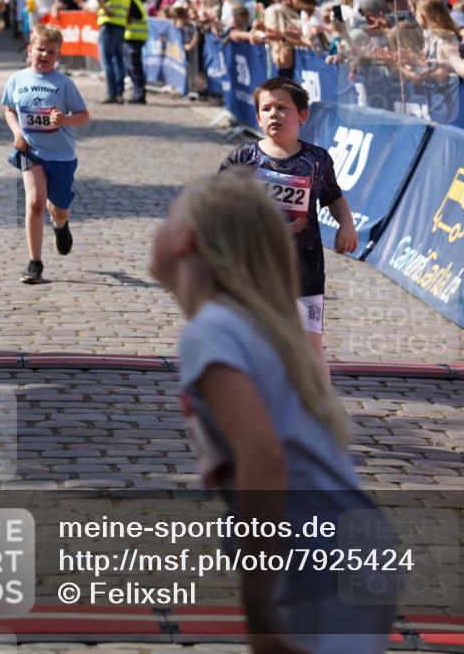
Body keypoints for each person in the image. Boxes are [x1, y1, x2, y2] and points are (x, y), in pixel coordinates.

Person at [150, 171, 395, 654]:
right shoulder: (253, 327)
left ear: (187, 241)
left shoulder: (211, 331)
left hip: (314, 556)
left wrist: (256, 601)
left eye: (166, 217)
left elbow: (263, 459)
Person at [219, 78, 357, 378]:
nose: (274, 114)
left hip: (305, 269)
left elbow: (333, 196)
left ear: (302, 115)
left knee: (310, 343)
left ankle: (319, 401)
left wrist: (347, 224)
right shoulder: (244, 157)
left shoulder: (316, 159)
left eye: (282, 108)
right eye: (266, 108)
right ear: (257, 117)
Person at [2, 24, 90, 284]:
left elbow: (83, 116)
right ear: (30, 50)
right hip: (31, 151)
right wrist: (17, 133)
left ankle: (60, 225)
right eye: (41, 49)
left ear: (58, 56)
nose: (45, 55)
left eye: (51, 52)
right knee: (35, 202)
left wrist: (65, 120)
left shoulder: (64, 84)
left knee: (58, 209)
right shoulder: (17, 79)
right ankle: (35, 263)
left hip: (61, 156)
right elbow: (9, 110)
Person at [93, 0, 131, 104]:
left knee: (107, 60)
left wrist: (105, 9)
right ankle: (120, 93)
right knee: (119, 59)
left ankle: (111, 93)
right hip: (121, 25)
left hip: (108, 24)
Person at [123, 0, 148, 104]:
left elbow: (131, 18)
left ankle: (139, 95)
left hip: (134, 38)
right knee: (132, 68)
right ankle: (137, 93)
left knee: (135, 68)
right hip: (134, 38)